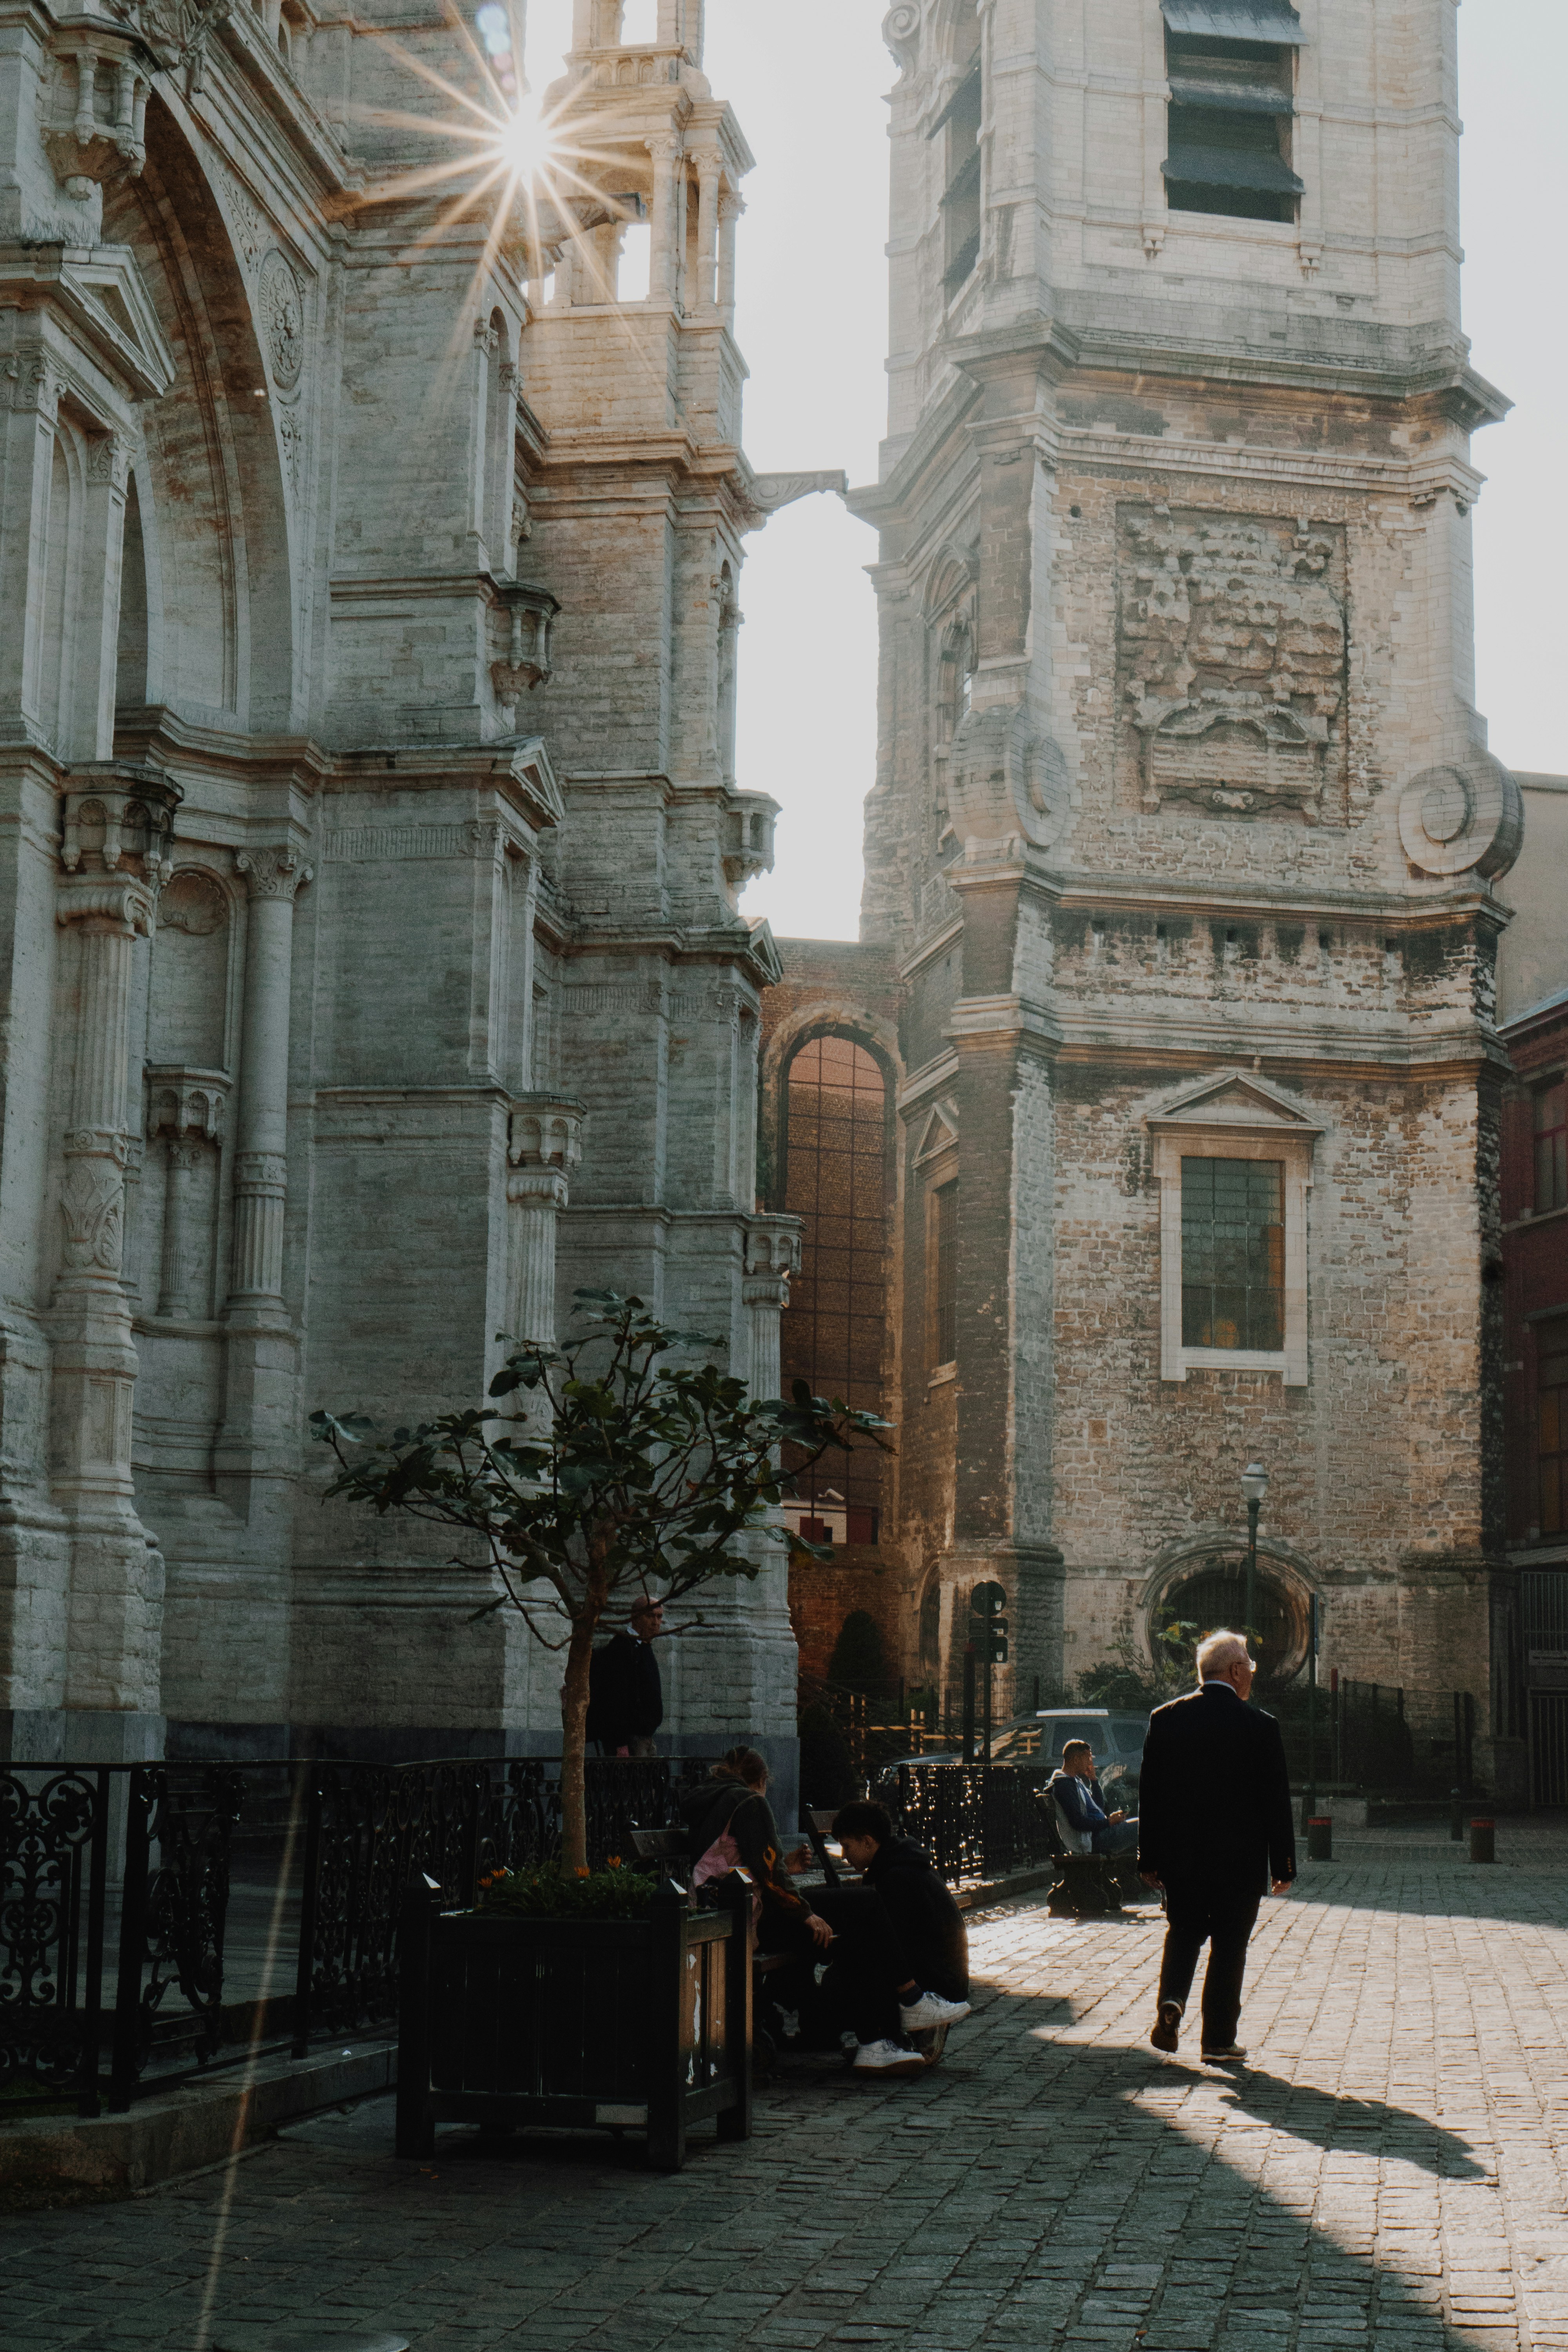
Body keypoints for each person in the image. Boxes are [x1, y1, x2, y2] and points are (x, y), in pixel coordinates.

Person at [1137, 1628, 1296, 2064]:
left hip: (1181, 1859)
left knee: (1183, 1933)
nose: (1252, 1675)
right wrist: (1283, 1864)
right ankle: (1218, 2040)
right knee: (1229, 1947)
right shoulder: (1260, 1726)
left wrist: (1147, 1858)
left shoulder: (1165, 1718)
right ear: (1235, 1671)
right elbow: (1275, 1802)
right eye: (1250, 1666)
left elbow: (1150, 1796)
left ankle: (1171, 2001)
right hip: (1239, 1862)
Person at [585, 1595, 664, 1756]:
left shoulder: (643, 1647)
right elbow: (615, 1699)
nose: (656, 1622)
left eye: (659, 1616)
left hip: (645, 1737)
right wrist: (620, 1743)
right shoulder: (623, 1647)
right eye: (650, 1616)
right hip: (629, 1740)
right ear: (635, 1617)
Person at [1048, 1738, 1139, 1857]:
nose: (1090, 1762)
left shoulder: (1074, 1781)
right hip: (1095, 1840)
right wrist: (1108, 1822)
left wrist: (1094, 1780)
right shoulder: (1065, 1785)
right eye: (1088, 1758)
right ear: (1076, 1759)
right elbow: (1078, 1822)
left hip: (1100, 1834)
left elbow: (1099, 1806)